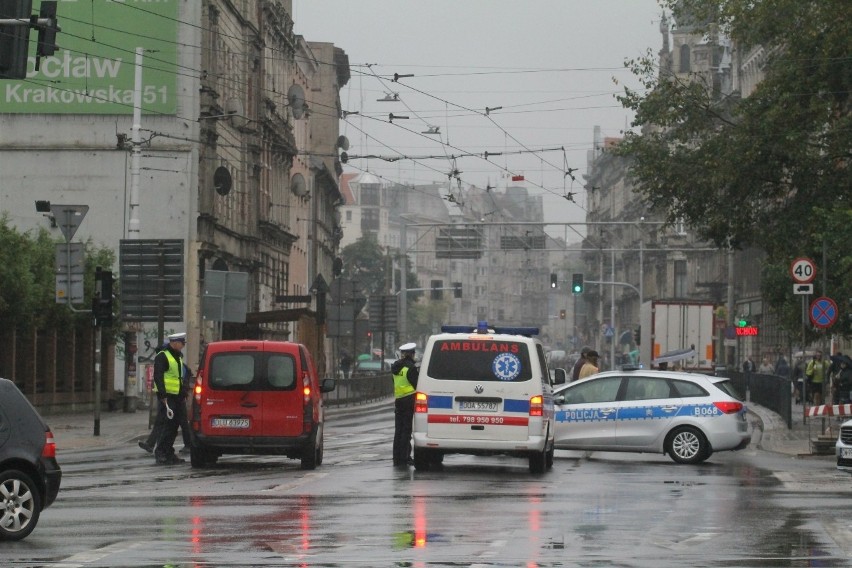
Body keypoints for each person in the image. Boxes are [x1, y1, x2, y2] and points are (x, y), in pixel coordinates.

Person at [140, 343, 193, 455]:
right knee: (162, 420)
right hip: (168, 396)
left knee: (179, 422)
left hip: (175, 397)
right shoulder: (171, 360)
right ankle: (152, 444)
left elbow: (179, 379)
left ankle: (184, 445)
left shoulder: (176, 362)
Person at [152, 332, 189, 465]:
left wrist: (183, 393)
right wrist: (162, 396)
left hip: (178, 397)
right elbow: (158, 376)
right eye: (182, 343)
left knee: (175, 426)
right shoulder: (163, 356)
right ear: (174, 343)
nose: (183, 346)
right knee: (166, 426)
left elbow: (179, 377)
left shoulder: (177, 356)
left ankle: (169, 452)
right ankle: (161, 452)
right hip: (167, 398)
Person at [391, 342, 419, 467]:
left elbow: (394, 382)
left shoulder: (395, 367)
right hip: (409, 401)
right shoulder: (411, 368)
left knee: (398, 431)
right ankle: (405, 457)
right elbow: (417, 385)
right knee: (406, 431)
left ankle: (396, 458)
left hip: (398, 401)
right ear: (412, 354)